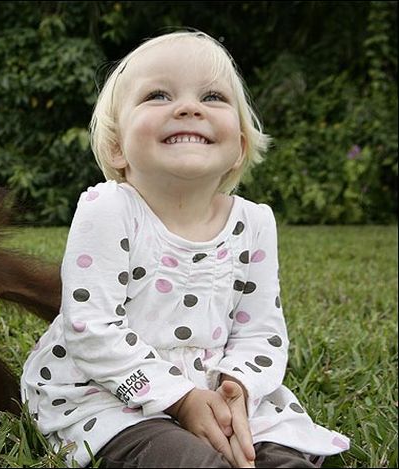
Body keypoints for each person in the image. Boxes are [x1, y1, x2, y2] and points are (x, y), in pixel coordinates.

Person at [20, 30, 350, 468]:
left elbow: (261, 332)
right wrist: (178, 398)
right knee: (177, 456)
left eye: (213, 96)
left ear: (239, 148)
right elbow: (91, 326)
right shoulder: (110, 208)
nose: (189, 107)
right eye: (158, 95)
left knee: (274, 449)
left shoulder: (254, 223)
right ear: (118, 147)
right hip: (109, 388)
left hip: (213, 387)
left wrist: (237, 389)